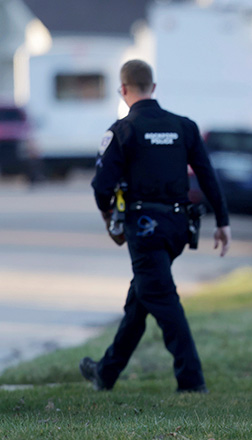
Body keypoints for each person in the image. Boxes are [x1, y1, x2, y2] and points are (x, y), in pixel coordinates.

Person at [80, 59, 231, 393]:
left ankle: (191, 381)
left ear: (123, 89)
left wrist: (108, 218)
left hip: (144, 228)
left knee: (162, 298)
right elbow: (207, 175)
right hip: (178, 226)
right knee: (141, 299)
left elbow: (101, 187)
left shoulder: (122, 131)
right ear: (154, 88)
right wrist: (223, 221)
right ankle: (105, 372)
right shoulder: (184, 126)